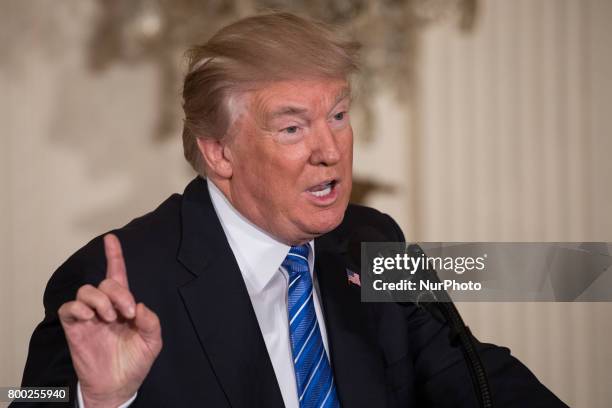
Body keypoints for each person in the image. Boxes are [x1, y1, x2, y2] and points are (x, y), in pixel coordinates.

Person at [17, 12, 566, 408]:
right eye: (292, 128)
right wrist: (101, 399)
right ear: (219, 151)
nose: (330, 150)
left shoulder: (370, 239)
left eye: (339, 115)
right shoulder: (115, 280)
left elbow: (471, 375)